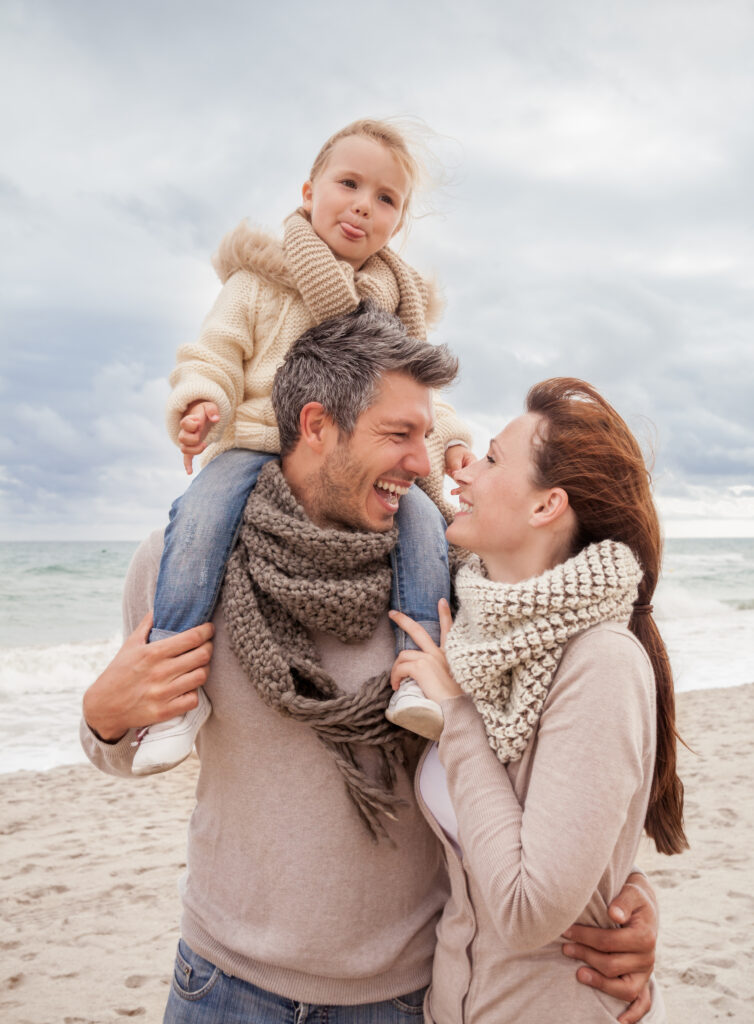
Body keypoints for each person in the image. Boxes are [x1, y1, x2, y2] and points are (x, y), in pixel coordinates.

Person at [82, 315, 659, 1024]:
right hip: (221, 983)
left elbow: (550, 768)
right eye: (399, 435)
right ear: (318, 426)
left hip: (400, 999)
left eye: (426, 435)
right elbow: (126, 746)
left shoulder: (452, 583)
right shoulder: (183, 569)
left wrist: (626, 896)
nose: (426, 464)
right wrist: (103, 720)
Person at [132, 118, 473, 774]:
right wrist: (204, 397)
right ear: (309, 189)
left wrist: (450, 442)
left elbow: (420, 393)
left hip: (355, 465)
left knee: (426, 523)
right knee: (199, 516)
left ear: (396, 223)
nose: (362, 206)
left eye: (385, 199)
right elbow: (217, 351)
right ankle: (176, 692)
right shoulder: (260, 281)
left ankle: (416, 673)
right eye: (348, 184)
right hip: (258, 438)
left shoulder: (396, 307)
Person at [390, 377, 687, 1023]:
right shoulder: (476, 639)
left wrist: (456, 719)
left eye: (493, 457)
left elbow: (527, 912)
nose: (465, 470)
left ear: (546, 505)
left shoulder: (600, 662)